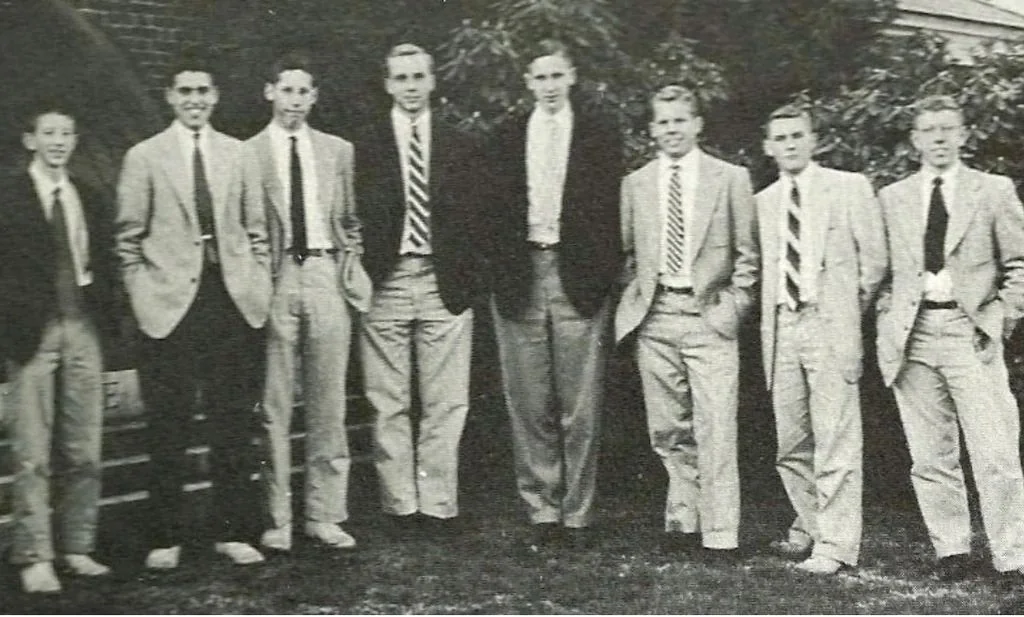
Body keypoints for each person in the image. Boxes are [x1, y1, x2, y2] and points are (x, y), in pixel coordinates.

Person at [116, 52, 272, 570]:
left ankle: (233, 531)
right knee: (169, 425)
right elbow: (127, 241)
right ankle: (166, 536)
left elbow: (257, 231)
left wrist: (255, 284)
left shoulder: (240, 154)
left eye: (203, 90)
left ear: (216, 96)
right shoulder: (145, 156)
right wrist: (144, 293)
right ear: (170, 97)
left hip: (229, 303)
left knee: (231, 421)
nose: (195, 100)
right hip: (169, 306)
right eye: (185, 91)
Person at [876, 94, 1024, 581]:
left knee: (995, 450)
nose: (938, 138)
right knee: (929, 453)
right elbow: (883, 275)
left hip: (970, 333)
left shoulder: (993, 190)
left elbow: (1020, 264)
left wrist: (1000, 318)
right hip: (913, 336)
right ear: (915, 140)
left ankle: (1013, 554)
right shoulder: (893, 197)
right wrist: (887, 318)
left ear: (962, 135)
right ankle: (952, 551)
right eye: (928, 130)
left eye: (947, 129)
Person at [486, 39, 621, 549]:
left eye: (556, 76)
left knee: (579, 403)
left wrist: (600, 273)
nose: (548, 86)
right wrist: (499, 270)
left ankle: (577, 513)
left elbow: (611, 213)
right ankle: (541, 507)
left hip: (577, 277)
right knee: (529, 400)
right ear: (528, 82)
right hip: (522, 273)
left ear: (572, 77)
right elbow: (491, 214)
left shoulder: (598, 134)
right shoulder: (505, 135)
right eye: (539, 78)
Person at [615, 85, 757, 562]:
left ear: (697, 124)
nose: (671, 129)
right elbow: (631, 254)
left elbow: (747, 256)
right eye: (662, 122)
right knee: (668, 427)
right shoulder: (636, 183)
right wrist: (640, 302)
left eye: (680, 120)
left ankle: (721, 533)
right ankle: (683, 520)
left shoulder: (729, 178)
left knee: (717, 424)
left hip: (708, 317)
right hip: (656, 317)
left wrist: (731, 308)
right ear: (652, 130)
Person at [245, 51, 371, 552]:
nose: (295, 100)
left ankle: (324, 513)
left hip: (324, 273)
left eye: (304, 91)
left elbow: (351, 219)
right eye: (287, 89)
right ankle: (277, 518)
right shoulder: (248, 152)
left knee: (329, 401)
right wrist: (261, 278)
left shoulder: (338, 151)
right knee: (275, 405)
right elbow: (249, 227)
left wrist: (347, 263)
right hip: (277, 277)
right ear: (269, 91)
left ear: (314, 97)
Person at [355, 43, 483, 535]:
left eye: (418, 77)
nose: (410, 86)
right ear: (388, 84)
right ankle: (400, 506)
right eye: (400, 78)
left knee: (446, 400)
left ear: (432, 81)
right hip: (386, 278)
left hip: (441, 279)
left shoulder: (459, 142)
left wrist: (468, 275)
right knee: (388, 399)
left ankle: (437, 504)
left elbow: (477, 218)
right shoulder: (364, 144)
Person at [756, 104, 886, 575]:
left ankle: (836, 546)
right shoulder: (764, 202)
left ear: (814, 140)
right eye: (781, 137)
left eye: (797, 135)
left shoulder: (848, 188)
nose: (790, 144)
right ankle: (813, 525)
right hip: (782, 327)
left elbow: (874, 261)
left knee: (835, 438)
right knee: (791, 443)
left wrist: (843, 309)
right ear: (768, 148)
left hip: (828, 323)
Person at [0, 104, 117, 592]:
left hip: (82, 328)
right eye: (49, 132)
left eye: (67, 133)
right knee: (32, 451)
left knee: (84, 447)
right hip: (33, 333)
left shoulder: (85, 195)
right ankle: (34, 555)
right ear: (30, 140)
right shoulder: (9, 195)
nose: (58, 141)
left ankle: (76, 546)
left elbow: (101, 264)